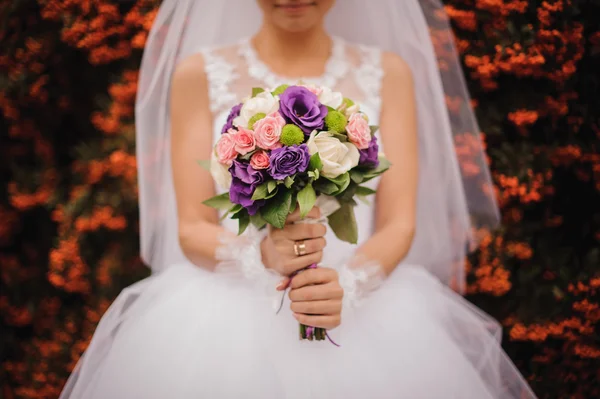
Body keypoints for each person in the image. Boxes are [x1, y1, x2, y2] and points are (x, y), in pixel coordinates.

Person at [60, 1, 538, 398]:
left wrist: (348, 286)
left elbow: (398, 223)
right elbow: (191, 226)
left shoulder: (387, 72)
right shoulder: (197, 74)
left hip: (361, 299)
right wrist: (259, 255)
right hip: (226, 315)